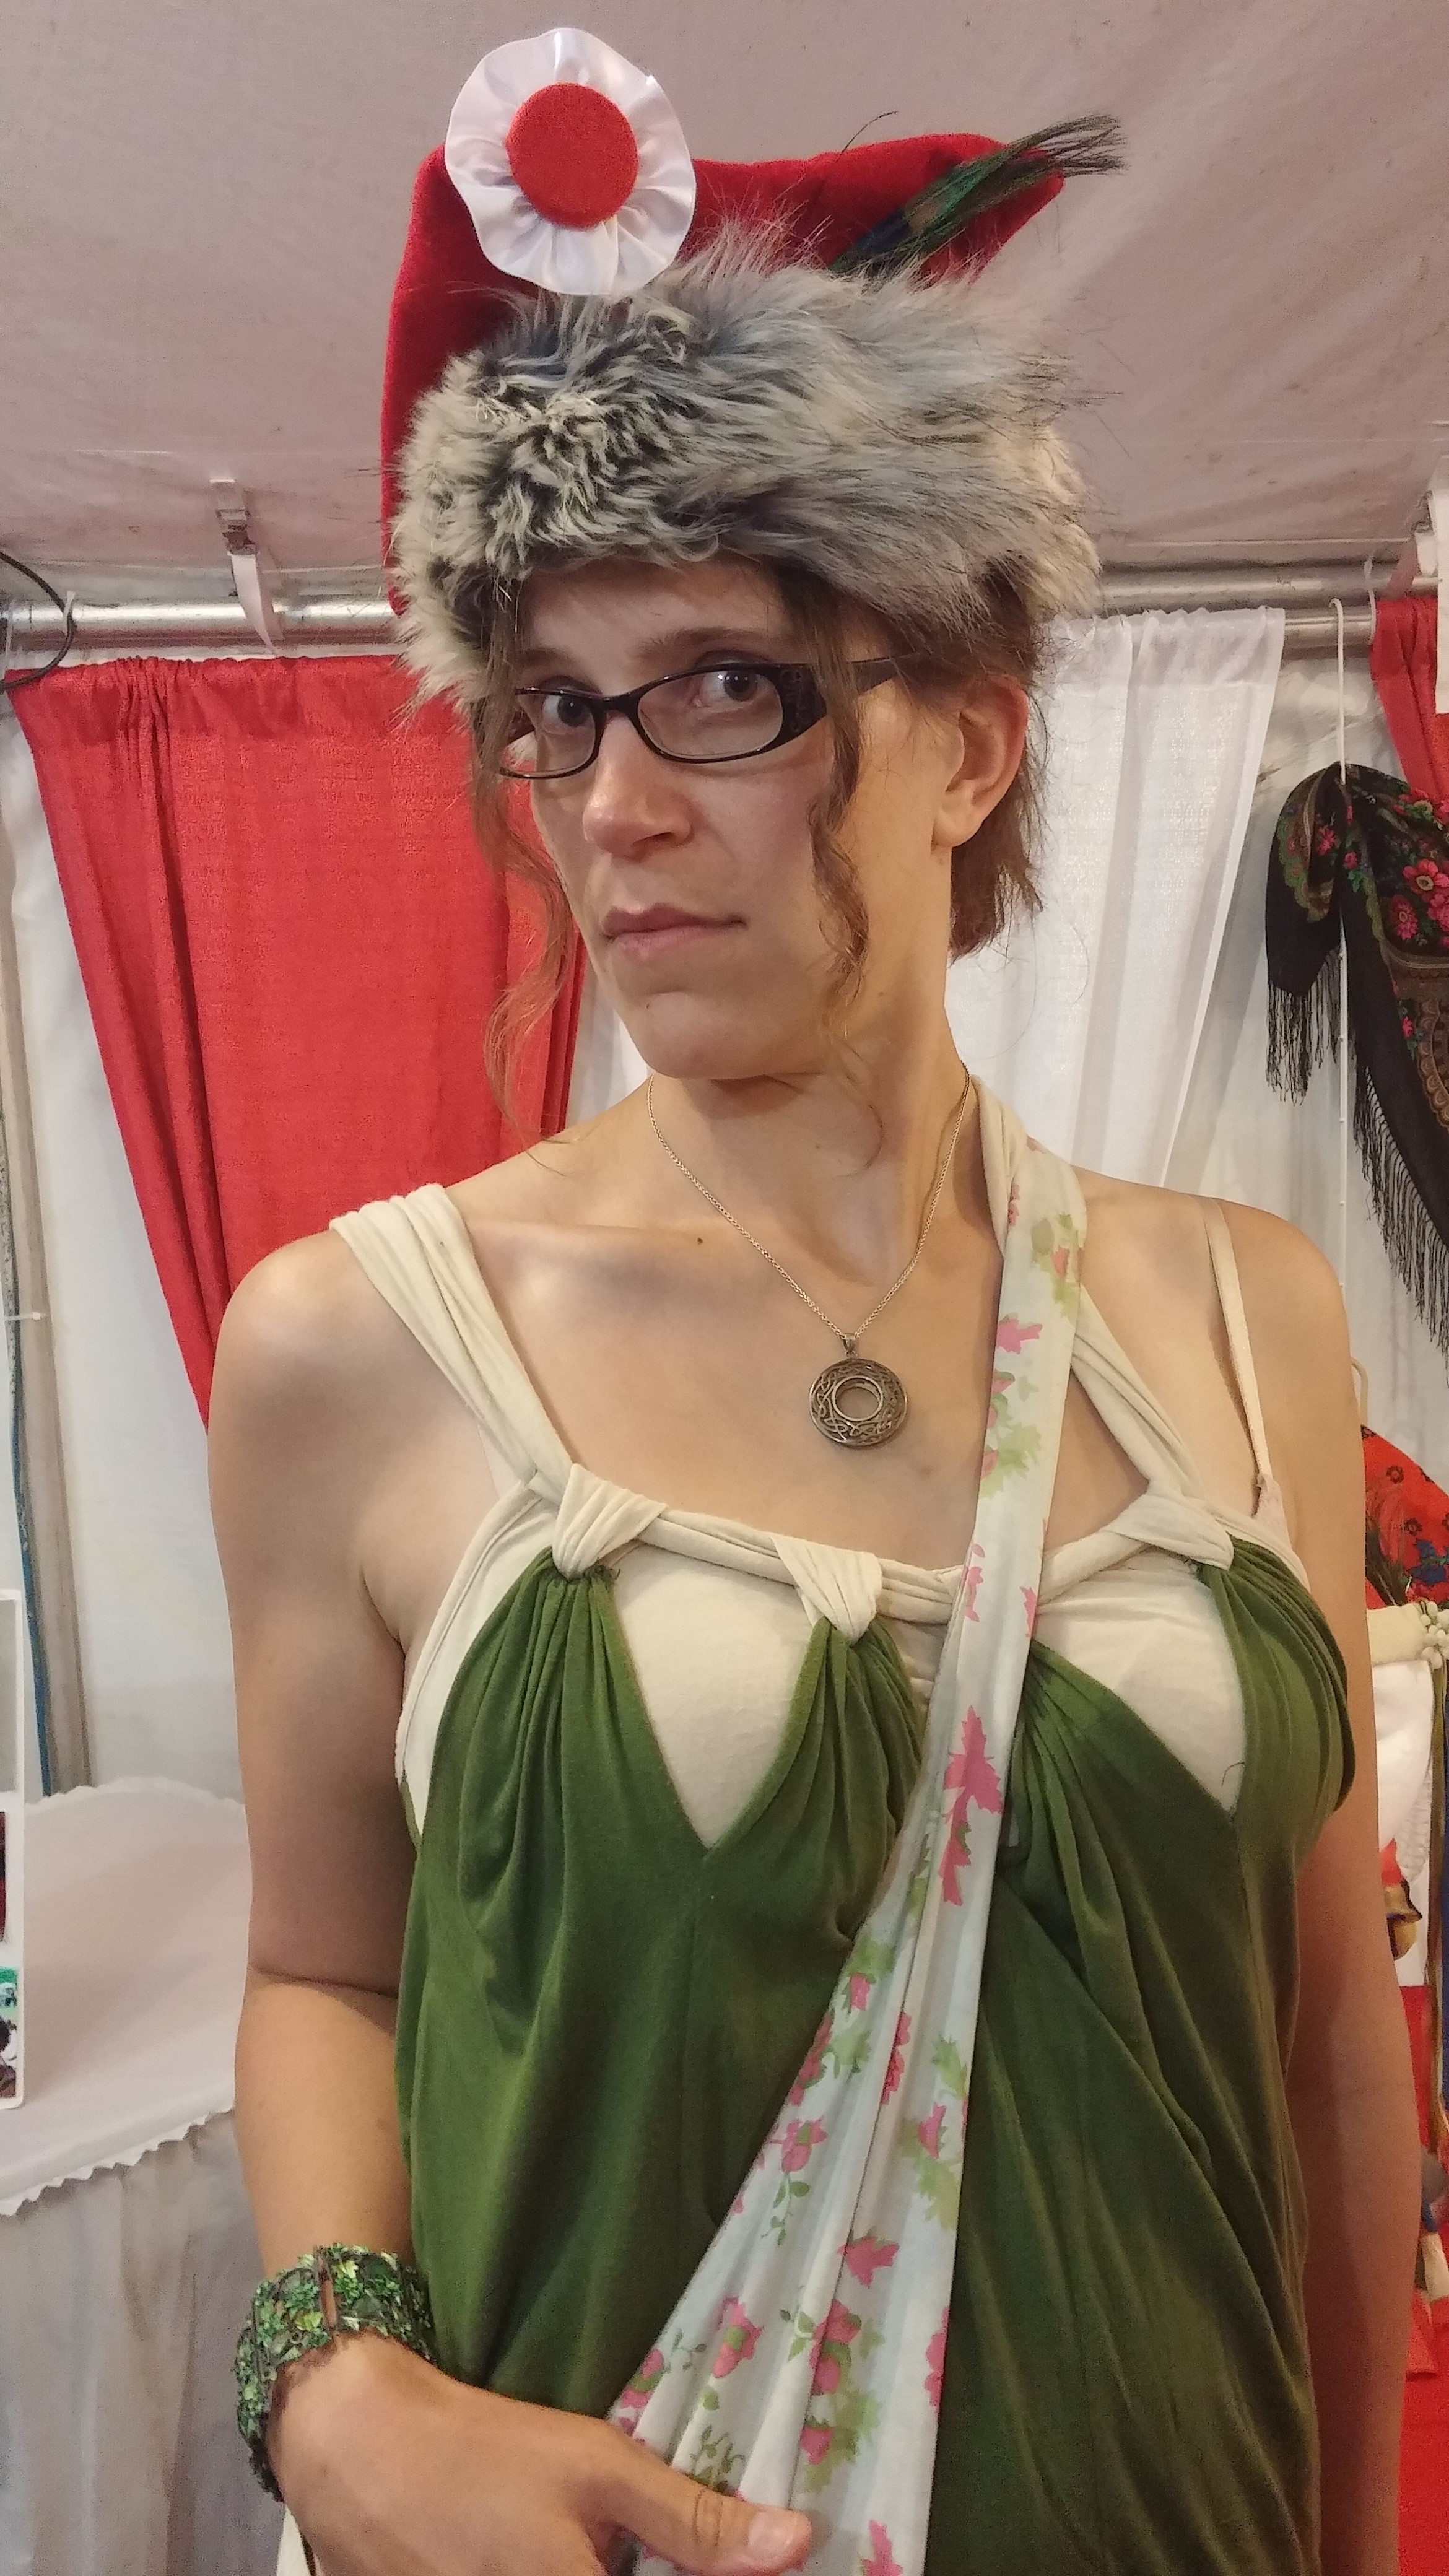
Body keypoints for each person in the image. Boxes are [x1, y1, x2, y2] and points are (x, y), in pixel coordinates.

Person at [209, 35, 1421, 2576]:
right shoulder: (361, 1346)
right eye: (557, 712)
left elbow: (1328, 2048)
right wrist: (333, 2389)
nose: (617, 805)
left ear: (966, 744)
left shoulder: (1245, 1315)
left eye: (725, 689)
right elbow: (327, 1970)